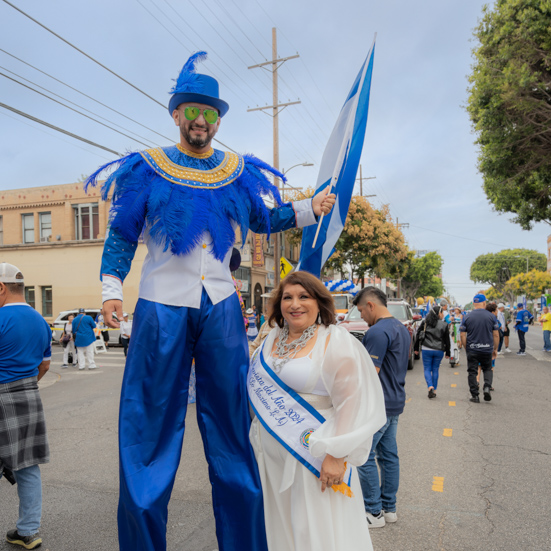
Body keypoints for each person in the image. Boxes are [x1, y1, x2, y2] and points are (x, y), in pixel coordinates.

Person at [85, 51, 336, 551]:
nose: (201, 121)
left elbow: (267, 219)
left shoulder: (236, 171)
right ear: (176, 114)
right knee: (149, 429)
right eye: (192, 111)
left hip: (221, 307)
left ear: (218, 119)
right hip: (160, 307)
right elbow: (120, 236)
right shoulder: (147, 169)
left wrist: (311, 208)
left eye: (210, 113)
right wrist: (111, 290)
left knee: (233, 431)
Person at [248, 272, 385, 550]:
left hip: (312, 456)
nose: (294, 304)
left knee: (314, 531)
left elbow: (352, 402)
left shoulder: (335, 340)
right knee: (279, 526)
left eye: (303, 297)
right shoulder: (271, 339)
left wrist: (335, 455)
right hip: (268, 455)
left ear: (319, 302)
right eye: (287, 297)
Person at [0, 263, 51, 550]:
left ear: (1, 288)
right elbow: (44, 365)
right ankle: (27, 531)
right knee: (27, 467)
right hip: (29, 394)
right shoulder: (40, 320)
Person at [353, 287, 410, 528]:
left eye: (361, 311)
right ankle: (389, 509)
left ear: (370, 305)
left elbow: (369, 374)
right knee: (389, 456)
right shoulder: (401, 328)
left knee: (363, 456)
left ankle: (373, 512)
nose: (361, 317)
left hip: (378, 404)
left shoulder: (377, 332)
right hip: (395, 400)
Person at [460, 294, 499, 403]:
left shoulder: (467, 316)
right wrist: (495, 349)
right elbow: (496, 334)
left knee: (472, 372)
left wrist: (466, 347)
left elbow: (462, 335)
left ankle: (475, 395)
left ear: (473, 303)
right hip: (487, 349)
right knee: (487, 368)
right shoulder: (491, 317)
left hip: (472, 349)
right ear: (484, 303)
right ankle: (487, 386)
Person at [415, 305, 450, 399]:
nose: (443, 315)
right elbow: (447, 340)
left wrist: (416, 349)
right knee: (435, 369)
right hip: (439, 350)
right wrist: (448, 352)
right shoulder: (444, 325)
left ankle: (430, 386)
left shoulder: (425, 322)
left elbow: (418, 335)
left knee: (427, 369)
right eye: (442, 312)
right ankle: (434, 390)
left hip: (426, 348)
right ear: (439, 313)